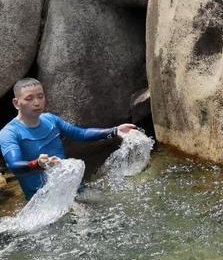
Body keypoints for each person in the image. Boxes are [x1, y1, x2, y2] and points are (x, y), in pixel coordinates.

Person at [0, 77, 138, 200]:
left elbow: (80, 134)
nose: (36, 102)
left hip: (71, 189)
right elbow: (14, 166)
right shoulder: (9, 132)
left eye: (40, 96)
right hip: (43, 200)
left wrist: (114, 131)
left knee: (113, 202)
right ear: (16, 103)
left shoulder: (51, 120)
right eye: (29, 98)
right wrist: (37, 164)